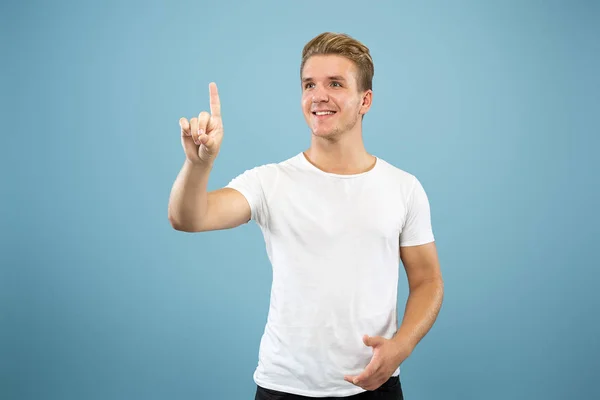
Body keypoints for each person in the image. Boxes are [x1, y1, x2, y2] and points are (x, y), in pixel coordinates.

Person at [168, 32, 444, 400]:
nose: (319, 96)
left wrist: (402, 345)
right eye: (309, 84)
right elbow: (189, 218)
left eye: (335, 84)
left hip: (375, 387)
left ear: (366, 100)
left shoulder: (403, 187)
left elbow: (427, 280)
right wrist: (197, 165)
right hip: (283, 388)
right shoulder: (269, 182)